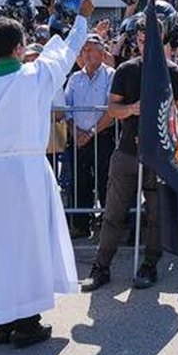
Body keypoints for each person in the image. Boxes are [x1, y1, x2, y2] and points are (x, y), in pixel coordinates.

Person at [0, 9, 91, 348]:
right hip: (27, 171)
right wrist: (81, 21)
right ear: (18, 48)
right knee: (28, 244)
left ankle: (3, 320)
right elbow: (67, 52)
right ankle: (27, 322)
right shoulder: (35, 76)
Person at [81, 15, 178, 292]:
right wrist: (132, 109)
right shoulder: (126, 70)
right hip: (127, 152)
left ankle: (149, 264)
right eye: (141, 40)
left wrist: (165, 134)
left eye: (151, 40)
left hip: (159, 155)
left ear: (162, 39)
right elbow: (112, 109)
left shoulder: (175, 73)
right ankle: (101, 267)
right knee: (113, 212)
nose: (145, 45)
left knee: (155, 213)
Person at [64, 33, 115, 237]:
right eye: (84, 49)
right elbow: (66, 108)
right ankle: (80, 224)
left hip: (102, 136)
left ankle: (107, 224)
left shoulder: (111, 75)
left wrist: (92, 132)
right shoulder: (75, 78)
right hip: (78, 138)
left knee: (106, 180)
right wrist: (75, 131)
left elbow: (111, 110)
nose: (86, 53)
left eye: (90, 49)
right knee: (79, 181)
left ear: (102, 53)